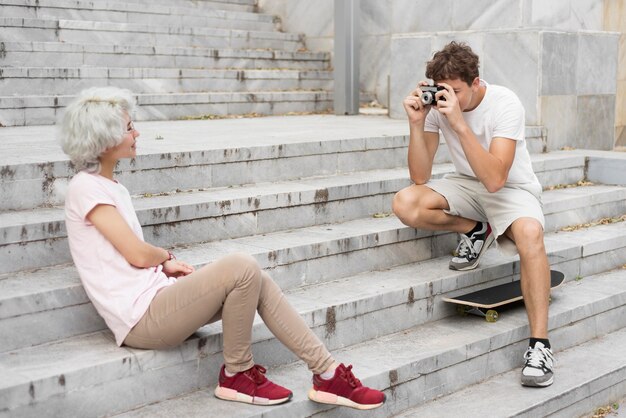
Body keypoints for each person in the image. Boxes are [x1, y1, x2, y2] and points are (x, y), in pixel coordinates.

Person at [60, 87, 386, 409]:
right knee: (241, 266)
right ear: (103, 140)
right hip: (140, 319)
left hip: (157, 300)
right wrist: (165, 258)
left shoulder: (110, 187)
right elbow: (136, 254)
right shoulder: (85, 187)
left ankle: (328, 374)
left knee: (256, 278)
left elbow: (127, 254)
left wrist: (162, 267)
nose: (137, 133)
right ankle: (237, 374)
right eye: (129, 128)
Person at [392, 42, 554, 387]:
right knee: (406, 202)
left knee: (530, 234)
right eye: (440, 90)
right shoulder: (437, 109)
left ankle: (540, 344)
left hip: (510, 188)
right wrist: (417, 124)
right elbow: (420, 177)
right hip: (465, 185)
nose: (446, 98)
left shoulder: (504, 102)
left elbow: (496, 179)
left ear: (476, 82)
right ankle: (476, 229)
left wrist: (460, 124)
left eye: (456, 91)